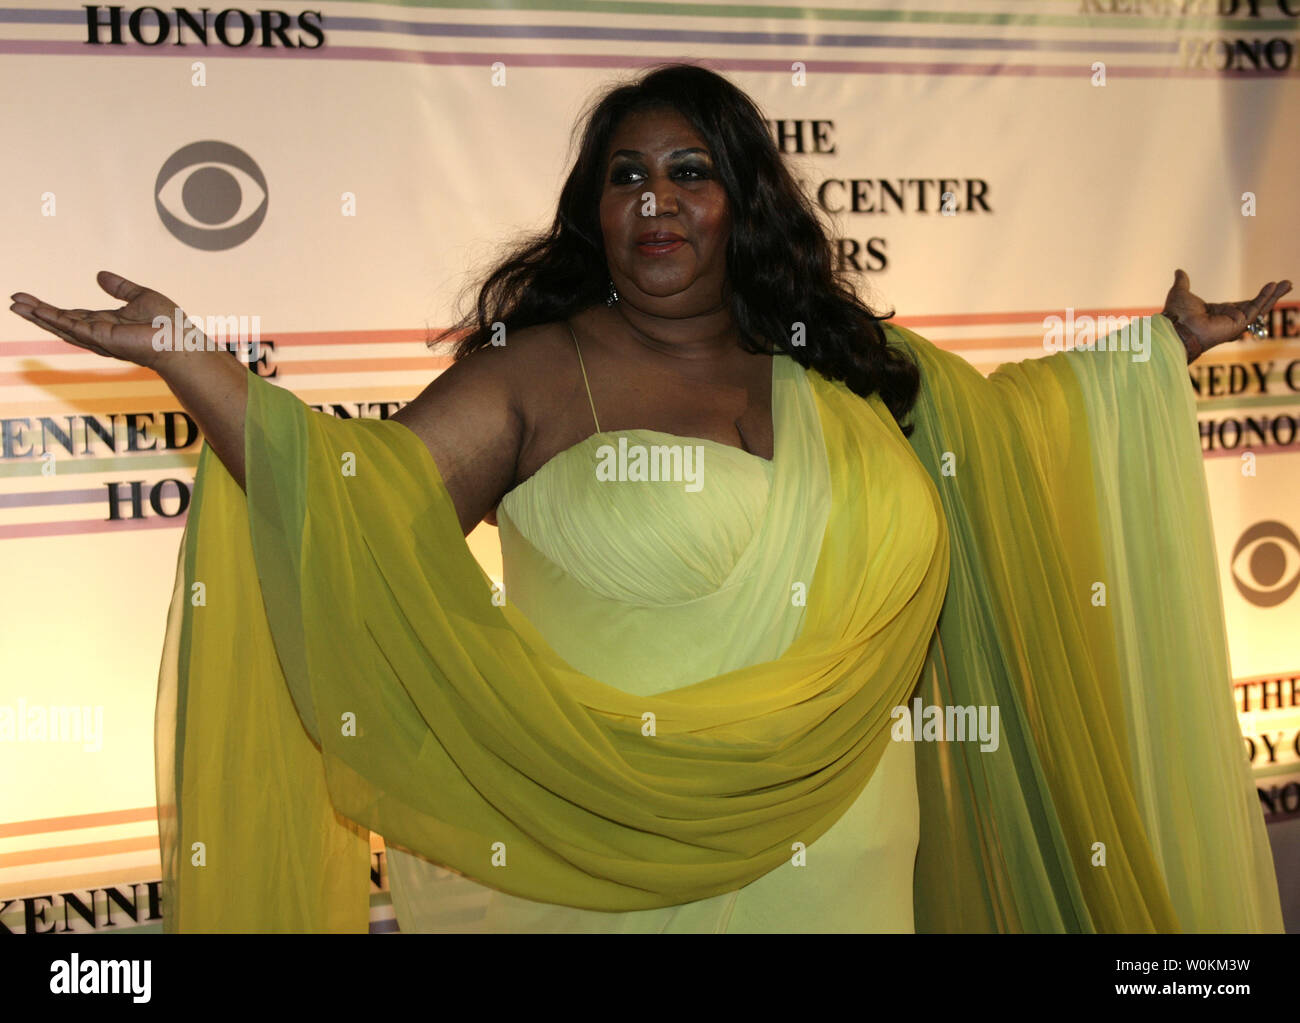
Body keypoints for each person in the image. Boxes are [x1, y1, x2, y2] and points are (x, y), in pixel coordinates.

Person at [9, 63, 1290, 934]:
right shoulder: (533, 377)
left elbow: (1011, 440)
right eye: (627, 178)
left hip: (844, 870)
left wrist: (1155, 356)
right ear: (595, 210)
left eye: (690, 172)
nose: (657, 202)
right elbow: (349, 507)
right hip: (591, 863)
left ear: (743, 201)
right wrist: (198, 365)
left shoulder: (853, 376)